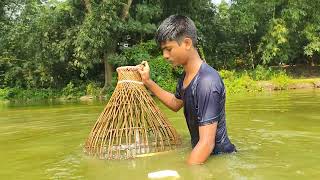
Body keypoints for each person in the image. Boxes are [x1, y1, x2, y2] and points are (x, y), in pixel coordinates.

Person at [138, 15, 236, 165]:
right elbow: (175, 103)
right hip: (204, 156)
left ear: (187, 43)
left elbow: (206, 144)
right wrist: (148, 82)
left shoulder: (207, 82)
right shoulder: (186, 77)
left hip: (219, 158)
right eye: (163, 50)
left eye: (168, 49)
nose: (164, 56)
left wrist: (184, 173)